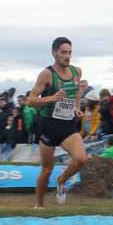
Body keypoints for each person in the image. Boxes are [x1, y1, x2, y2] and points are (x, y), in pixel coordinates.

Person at [27, 37, 90, 208]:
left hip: (67, 124)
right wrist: (51, 98)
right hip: (48, 124)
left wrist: (77, 107)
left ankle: (61, 180)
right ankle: (39, 206)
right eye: (63, 52)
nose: (67, 56)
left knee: (81, 159)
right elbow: (30, 100)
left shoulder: (77, 72)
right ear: (54, 53)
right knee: (46, 169)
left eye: (69, 52)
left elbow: (76, 92)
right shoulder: (47, 74)